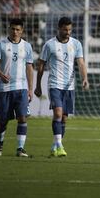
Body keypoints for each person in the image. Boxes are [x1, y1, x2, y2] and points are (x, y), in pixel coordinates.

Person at [34, 17, 89, 157]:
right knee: (58, 113)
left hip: (69, 86)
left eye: (70, 29)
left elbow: (81, 63)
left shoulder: (76, 44)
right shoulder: (49, 45)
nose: (68, 32)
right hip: (55, 84)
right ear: (58, 28)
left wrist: (84, 79)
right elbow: (41, 65)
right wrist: (38, 85)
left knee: (64, 118)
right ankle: (60, 146)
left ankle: (55, 145)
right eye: (65, 29)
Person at [0, 18, 33, 157]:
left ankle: (20, 148)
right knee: (3, 120)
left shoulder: (27, 46)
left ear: (22, 31)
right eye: (13, 29)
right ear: (9, 29)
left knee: (22, 118)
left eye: (18, 29)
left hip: (21, 88)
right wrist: (1, 75)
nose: (15, 32)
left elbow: (29, 68)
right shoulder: (1, 45)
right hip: (5, 89)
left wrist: (31, 89)